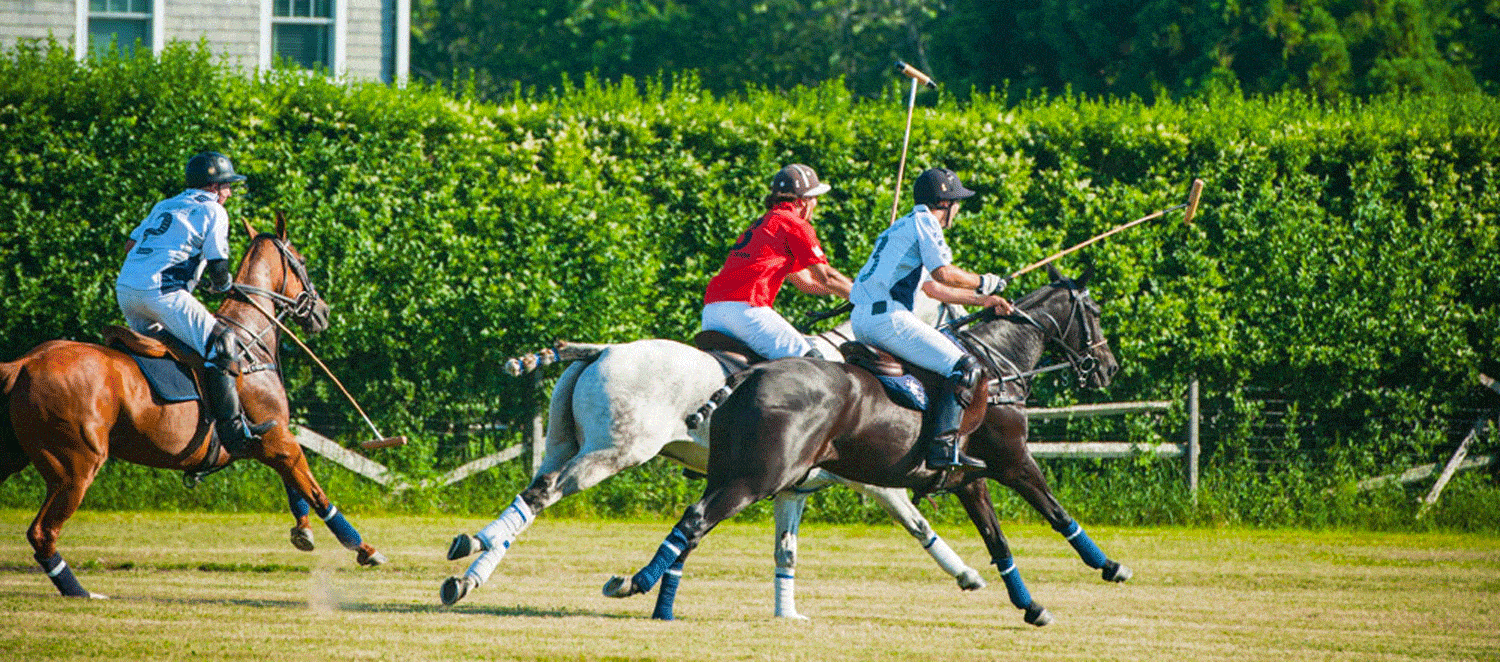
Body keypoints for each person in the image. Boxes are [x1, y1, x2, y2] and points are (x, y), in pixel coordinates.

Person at [849, 168, 1012, 470]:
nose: (958, 210)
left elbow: (932, 288)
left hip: (863, 318)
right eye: (958, 203)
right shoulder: (926, 221)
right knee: (965, 367)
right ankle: (942, 447)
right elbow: (944, 273)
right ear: (946, 203)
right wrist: (984, 281)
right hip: (888, 318)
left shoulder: (903, 225)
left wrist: (983, 300)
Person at [115, 151, 274, 453]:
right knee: (224, 342)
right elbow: (218, 264)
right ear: (213, 187)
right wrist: (223, 284)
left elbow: (130, 246)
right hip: (163, 292)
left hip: (126, 290)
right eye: (226, 186)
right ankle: (233, 430)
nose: (228, 193)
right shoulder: (214, 211)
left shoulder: (166, 204)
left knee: (178, 346)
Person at [700, 163, 854, 360]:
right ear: (803, 200)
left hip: (712, 313)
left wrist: (848, 286)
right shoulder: (795, 224)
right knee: (813, 363)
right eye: (814, 197)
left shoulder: (764, 223)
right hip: (746, 311)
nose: (816, 203)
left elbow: (806, 282)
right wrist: (864, 296)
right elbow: (826, 277)